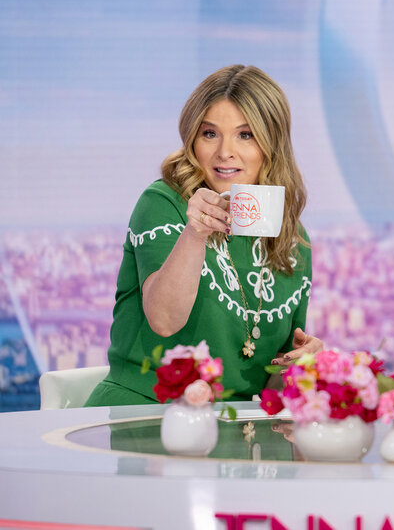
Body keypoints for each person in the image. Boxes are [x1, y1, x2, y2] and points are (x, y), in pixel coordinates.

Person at [87, 65, 322, 406]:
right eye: (210, 133)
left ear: (273, 142)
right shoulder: (164, 203)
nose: (225, 152)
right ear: (192, 138)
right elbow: (164, 321)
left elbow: (271, 373)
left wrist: (301, 360)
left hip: (235, 429)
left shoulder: (291, 236)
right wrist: (195, 234)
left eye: (246, 135)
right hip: (142, 415)